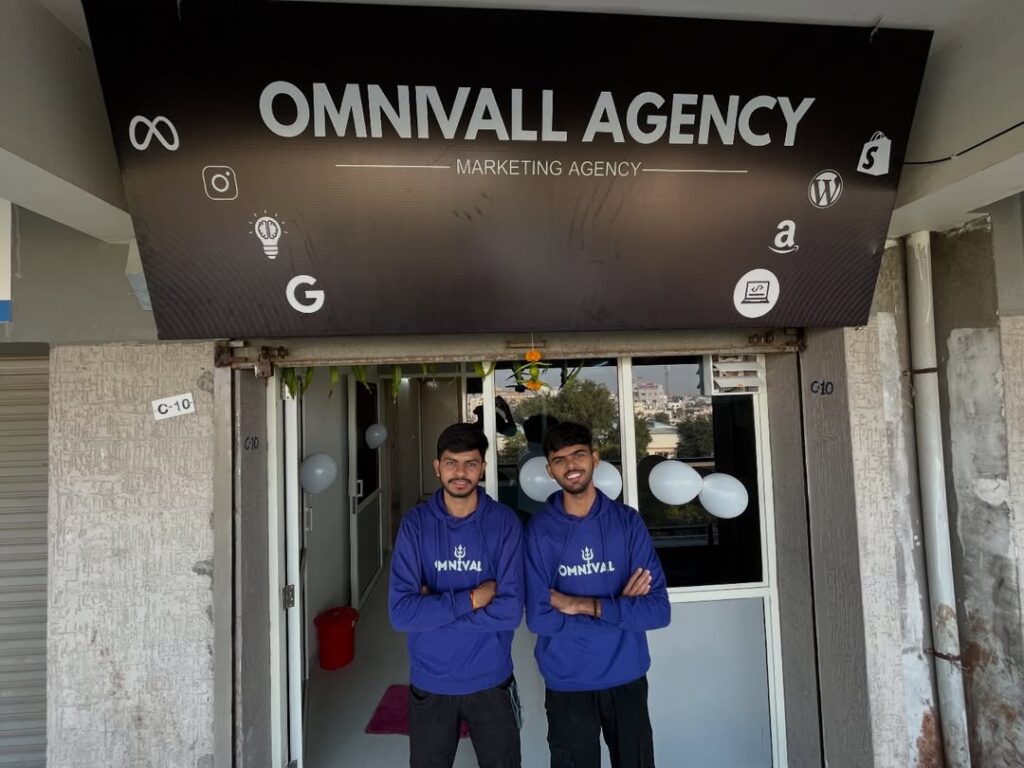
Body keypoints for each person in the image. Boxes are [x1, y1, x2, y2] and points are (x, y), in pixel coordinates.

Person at [525, 421, 670, 768]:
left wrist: (578, 604)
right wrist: (620, 610)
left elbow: (657, 611)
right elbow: (539, 618)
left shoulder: (627, 523)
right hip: (568, 681)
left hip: (627, 675)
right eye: (559, 460)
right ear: (549, 470)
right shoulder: (538, 531)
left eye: (578, 455)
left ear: (595, 457)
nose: (570, 465)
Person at [389, 423, 525, 768]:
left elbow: (510, 611)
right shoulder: (415, 525)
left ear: (483, 467)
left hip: (492, 678)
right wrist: (475, 599)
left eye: (470, 464)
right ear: (437, 466)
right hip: (431, 680)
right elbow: (402, 613)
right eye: (451, 463)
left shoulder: (505, 523)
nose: (460, 473)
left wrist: (432, 610)